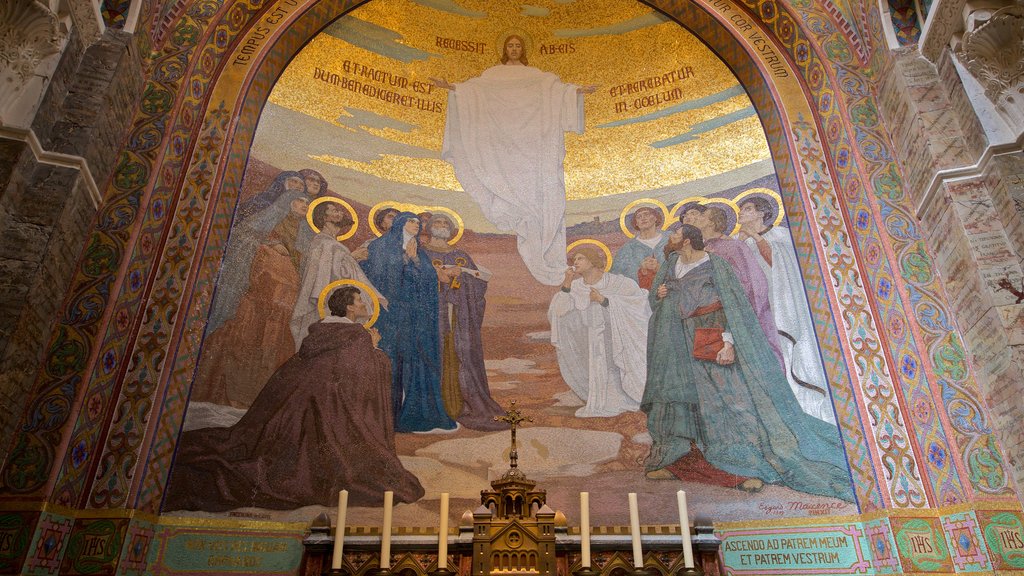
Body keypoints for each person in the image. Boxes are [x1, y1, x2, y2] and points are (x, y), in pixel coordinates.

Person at [641, 224, 853, 501]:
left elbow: (735, 304)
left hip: (710, 333)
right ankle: (675, 461)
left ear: (689, 239)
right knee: (676, 399)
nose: (670, 238)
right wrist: (658, 296)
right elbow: (656, 295)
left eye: (675, 234)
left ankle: (744, 469)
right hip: (673, 341)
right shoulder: (670, 262)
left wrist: (729, 341)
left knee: (726, 400)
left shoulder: (716, 265)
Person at [165, 286, 424, 511]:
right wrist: (375, 348)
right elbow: (358, 376)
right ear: (348, 307)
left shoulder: (321, 330)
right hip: (327, 406)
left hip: (296, 400)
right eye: (359, 300)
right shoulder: (356, 334)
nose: (363, 304)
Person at [433, 35, 596, 286]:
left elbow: (556, 90)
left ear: (523, 49)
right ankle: (523, 219)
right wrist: (453, 88)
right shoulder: (492, 76)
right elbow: (473, 90)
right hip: (500, 147)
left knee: (541, 193)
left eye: (518, 46)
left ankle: (541, 240)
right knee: (506, 188)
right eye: (510, 45)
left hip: (533, 146)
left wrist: (576, 92)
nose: (514, 49)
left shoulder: (537, 77)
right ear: (504, 49)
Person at [192, 194, 309, 408]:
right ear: (287, 201)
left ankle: (250, 399)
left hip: (280, 308)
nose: (304, 205)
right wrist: (269, 243)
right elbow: (243, 237)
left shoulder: (303, 233)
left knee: (268, 348)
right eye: (300, 200)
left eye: (308, 203)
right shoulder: (270, 220)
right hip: (255, 300)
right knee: (242, 340)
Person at [737, 196, 835, 423]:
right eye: (740, 210)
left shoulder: (781, 235)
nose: (741, 213)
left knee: (792, 353)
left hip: (786, 306)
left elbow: (779, 263)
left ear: (761, 213)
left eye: (748, 209)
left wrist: (753, 237)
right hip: (759, 309)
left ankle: (810, 410)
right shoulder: (740, 242)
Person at [360, 212, 456, 433]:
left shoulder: (418, 251)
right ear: (401, 223)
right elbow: (378, 278)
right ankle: (385, 417)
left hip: (415, 317)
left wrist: (413, 259)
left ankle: (414, 413)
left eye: (418, 222)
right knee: (390, 362)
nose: (417, 225)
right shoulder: (380, 246)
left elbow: (429, 279)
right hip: (391, 316)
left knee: (416, 360)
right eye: (411, 221)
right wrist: (405, 260)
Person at [422, 213, 505, 431]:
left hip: (456, 314)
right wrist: (436, 275)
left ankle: (460, 404)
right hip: (430, 314)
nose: (441, 227)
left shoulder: (460, 255)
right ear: (429, 228)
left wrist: (462, 274)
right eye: (437, 223)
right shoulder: (421, 253)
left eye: (445, 224)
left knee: (457, 353)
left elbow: (479, 282)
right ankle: (437, 407)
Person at [549, 245, 651, 417]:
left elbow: (638, 304)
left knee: (615, 369)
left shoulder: (617, 283)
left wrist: (604, 300)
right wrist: (567, 282)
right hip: (593, 339)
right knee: (599, 366)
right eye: (574, 260)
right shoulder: (576, 286)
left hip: (618, 338)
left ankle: (624, 399)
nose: (576, 262)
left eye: (580, 258)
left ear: (592, 261)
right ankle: (602, 402)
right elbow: (559, 310)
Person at [679, 203, 785, 369]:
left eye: (701, 216)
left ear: (711, 223)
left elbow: (750, 287)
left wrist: (731, 336)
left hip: (734, 320)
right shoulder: (701, 250)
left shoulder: (733, 247)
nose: (695, 219)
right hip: (705, 325)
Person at [290, 199, 382, 350]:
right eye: (334, 211)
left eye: (339, 210)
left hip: (336, 306)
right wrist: (353, 257)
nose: (340, 213)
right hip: (323, 305)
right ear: (324, 218)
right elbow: (325, 276)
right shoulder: (323, 243)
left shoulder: (334, 244)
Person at [610, 206, 668, 290]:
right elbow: (616, 274)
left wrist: (660, 268)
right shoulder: (628, 247)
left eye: (646, 214)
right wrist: (641, 269)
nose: (643, 218)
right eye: (639, 217)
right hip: (641, 294)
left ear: (655, 218)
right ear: (636, 223)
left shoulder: (670, 238)